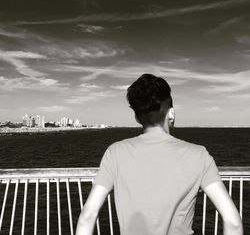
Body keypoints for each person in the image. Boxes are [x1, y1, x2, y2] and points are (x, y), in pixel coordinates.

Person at [76, 74, 243, 235]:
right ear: (171, 113)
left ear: (136, 117)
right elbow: (233, 222)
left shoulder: (115, 152)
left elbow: (87, 217)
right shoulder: (199, 155)